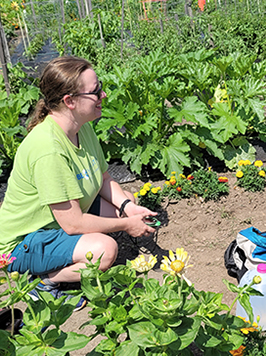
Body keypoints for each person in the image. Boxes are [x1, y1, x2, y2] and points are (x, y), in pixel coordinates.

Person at [0, 56, 157, 309]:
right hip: (21, 244)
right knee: (105, 250)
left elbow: (104, 179)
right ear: (69, 101)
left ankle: (62, 261)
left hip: (57, 223)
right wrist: (127, 225)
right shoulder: (48, 149)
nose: (103, 95)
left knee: (125, 202)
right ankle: (42, 283)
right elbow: (73, 224)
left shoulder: (80, 127)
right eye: (95, 92)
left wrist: (128, 208)